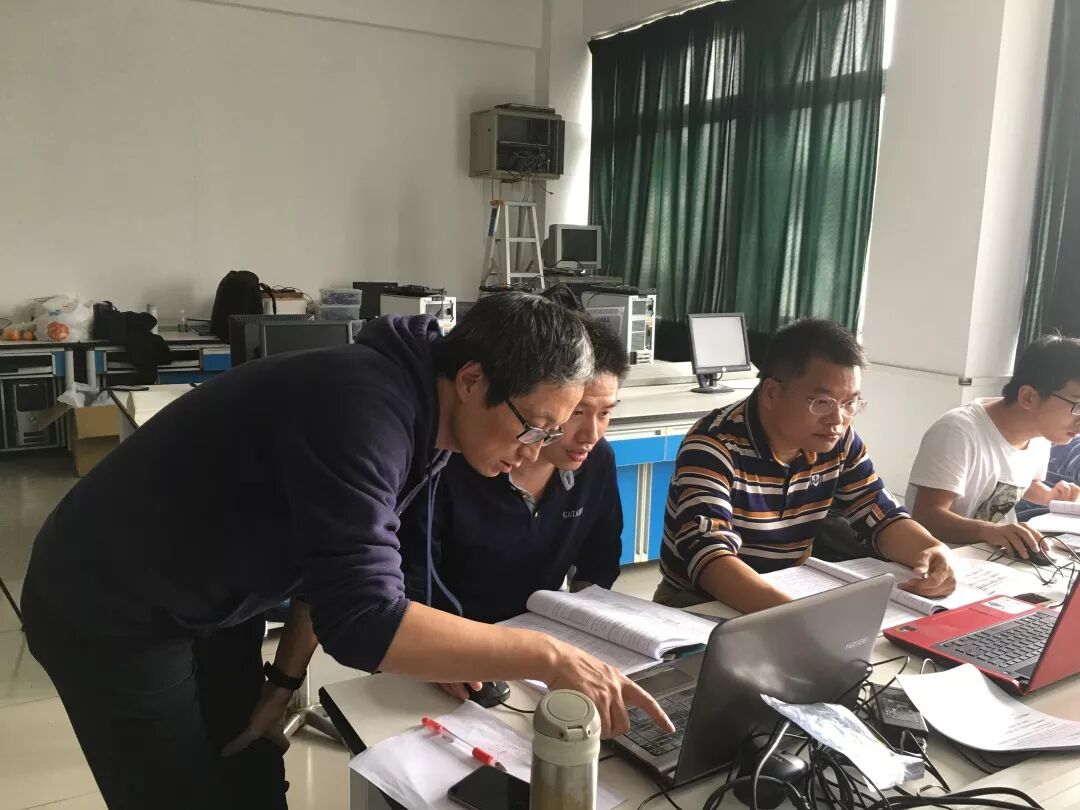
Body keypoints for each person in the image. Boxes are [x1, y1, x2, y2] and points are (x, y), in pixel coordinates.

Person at [20, 293, 670, 810]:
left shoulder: (429, 415)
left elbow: (333, 562)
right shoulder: (365, 406)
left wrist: (282, 685)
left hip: (217, 596)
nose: (534, 452)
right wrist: (546, 655)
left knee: (250, 759)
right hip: (114, 602)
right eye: (534, 428)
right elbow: (362, 622)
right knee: (177, 793)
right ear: (473, 380)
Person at [655, 318, 957, 613]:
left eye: (850, 403)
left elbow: (877, 512)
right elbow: (709, 555)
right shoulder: (714, 444)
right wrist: (796, 618)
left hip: (789, 590)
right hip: (700, 603)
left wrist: (931, 550)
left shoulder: (838, 441)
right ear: (772, 393)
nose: (837, 420)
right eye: (822, 402)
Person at [400, 313, 630, 700]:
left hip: (536, 654)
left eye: (605, 413)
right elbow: (411, 588)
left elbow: (598, 565)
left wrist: (589, 636)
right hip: (445, 651)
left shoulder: (597, 461)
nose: (590, 435)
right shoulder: (451, 461)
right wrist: (450, 656)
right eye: (576, 412)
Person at [907, 335, 1080, 559]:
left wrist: (1048, 496)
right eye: (1077, 405)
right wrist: (990, 531)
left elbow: (1016, 482)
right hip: (939, 560)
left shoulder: (1040, 433)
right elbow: (926, 516)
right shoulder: (958, 431)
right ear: (1028, 397)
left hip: (993, 559)